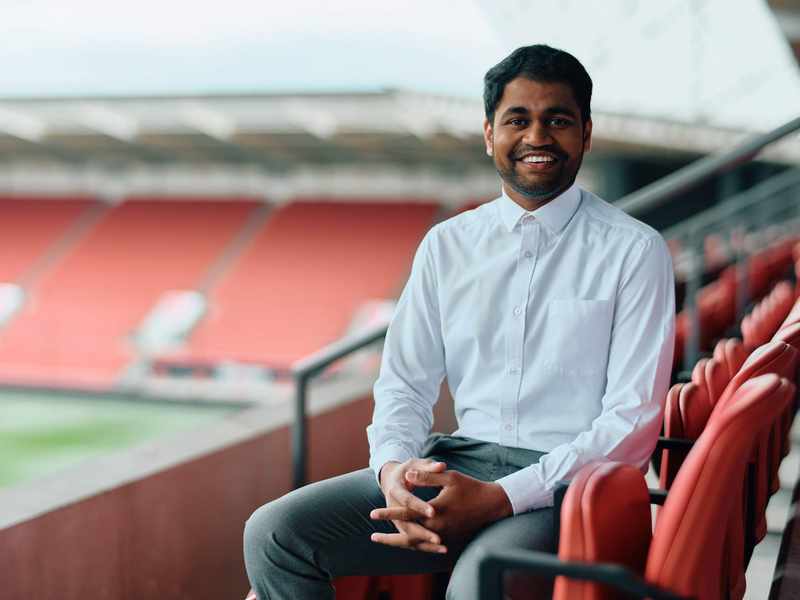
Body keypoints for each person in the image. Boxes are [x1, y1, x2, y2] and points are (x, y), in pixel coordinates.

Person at [243, 44, 675, 600]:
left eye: (558, 120)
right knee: (277, 534)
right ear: (489, 134)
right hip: (458, 461)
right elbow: (404, 383)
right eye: (517, 120)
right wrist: (393, 470)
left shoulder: (635, 251)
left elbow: (632, 424)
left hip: (566, 485)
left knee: (479, 584)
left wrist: (501, 497)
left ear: (586, 134)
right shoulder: (447, 245)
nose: (537, 137)